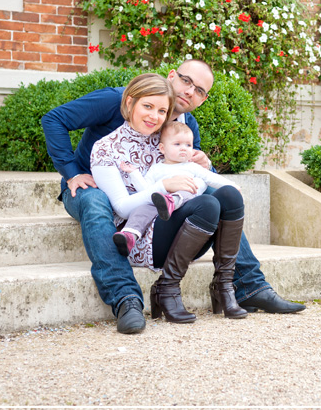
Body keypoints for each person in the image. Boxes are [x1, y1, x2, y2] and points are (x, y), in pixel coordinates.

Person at [41, 59, 305, 334]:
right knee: (96, 202)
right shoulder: (115, 100)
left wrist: (205, 165)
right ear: (171, 76)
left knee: (218, 195)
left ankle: (249, 285)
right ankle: (125, 297)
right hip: (92, 185)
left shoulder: (186, 123)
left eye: (200, 91)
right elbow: (54, 119)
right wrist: (72, 172)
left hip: (150, 199)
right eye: (187, 81)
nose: (190, 92)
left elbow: (189, 175)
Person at [91, 73, 247, 322]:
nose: (155, 116)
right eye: (148, 106)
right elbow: (121, 208)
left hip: (185, 235)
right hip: (141, 238)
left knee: (228, 194)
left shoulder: (168, 140)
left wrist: (203, 165)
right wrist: (163, 186)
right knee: (207, 203)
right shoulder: (106, 148)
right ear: (130, 102)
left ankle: (224, 286)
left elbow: (198, 177)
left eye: (162, 111)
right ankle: (168, 288)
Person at [113, 121, 240, 257]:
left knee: (191, 186)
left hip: (185, 207)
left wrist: (232, 185)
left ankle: (173, 200)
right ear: (162, 148)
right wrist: (134, 173)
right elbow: (146, 190)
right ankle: (130, 235)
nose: (184, 148)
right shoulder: (157, 168)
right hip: (159, 207)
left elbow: (211, 178)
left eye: (188, 145)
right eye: (177, 144)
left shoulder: (192, 167)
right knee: (141, 209)